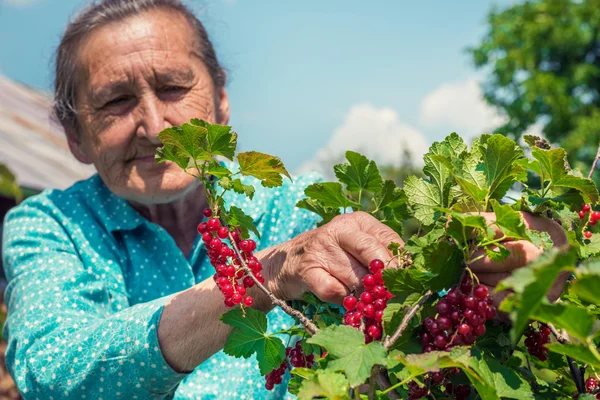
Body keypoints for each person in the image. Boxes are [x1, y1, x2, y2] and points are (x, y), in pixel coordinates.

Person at [0, 0, 567, 399]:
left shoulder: (301, 209)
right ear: (75, 135)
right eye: (116, 101)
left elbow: (413, 292)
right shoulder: (49, 226)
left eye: (174, 88)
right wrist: (266, 272)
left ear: (220, 100)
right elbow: (54, 371)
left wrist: (529, 255)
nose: (154, 125)